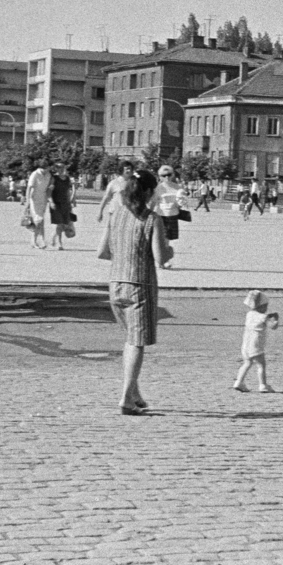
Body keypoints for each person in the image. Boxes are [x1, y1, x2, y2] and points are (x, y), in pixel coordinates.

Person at [99, 169, 172, 415]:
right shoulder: (152, 219)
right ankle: (126, 399)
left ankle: (135, 393)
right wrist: (169, 251)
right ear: (149, 192)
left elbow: (103, 252)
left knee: (130, 340)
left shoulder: (116, 214)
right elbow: (161, 258)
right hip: (139, 285)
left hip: (115, 283)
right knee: (136, 343)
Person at [233, 289, 280, 393]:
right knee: (261, 365)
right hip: (256, 346)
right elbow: (273, 326)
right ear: (262, 306)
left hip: (245, 345)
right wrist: (276, 319)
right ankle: (263, 385)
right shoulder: (263, 317)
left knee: (246, 363)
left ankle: (238, 381)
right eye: (265, 306)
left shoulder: (249, 314)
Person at [152, 166, 183, 265]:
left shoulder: (177, 187)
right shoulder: (158, 188)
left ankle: (163, 259)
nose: (167, 177)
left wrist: (180, 203)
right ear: (160, 176)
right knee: (163, 238)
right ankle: (163, 260)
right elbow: (153, 202)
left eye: (169, 175)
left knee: (168, 239)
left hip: (173, 214)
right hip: (161, 215)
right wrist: (149, 213)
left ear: (173, 174)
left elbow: (180, 202)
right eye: (163, 175)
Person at [25, 159, 52, 249]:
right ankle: (40, 240)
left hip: (43, 200)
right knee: (38, 221)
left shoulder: (48, 175)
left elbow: (48, 188)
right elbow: (29, 188)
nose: (49, 169)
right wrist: (27, 201)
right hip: (34, 200)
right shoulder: (35, 174)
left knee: (41, 221)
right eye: (47, 167)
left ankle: (35, 241)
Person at [48, 162, 75, 249]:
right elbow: (49, 192)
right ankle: (57, 241)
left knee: (64, 224)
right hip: (56, 203)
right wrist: (51, 202)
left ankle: (56, 239)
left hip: (65, 203)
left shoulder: (67, 179)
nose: (60, 170)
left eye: (62, 168)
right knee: (58, 224)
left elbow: (68, 191)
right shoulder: (54, 179)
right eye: (58, 168)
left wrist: (71, 201)